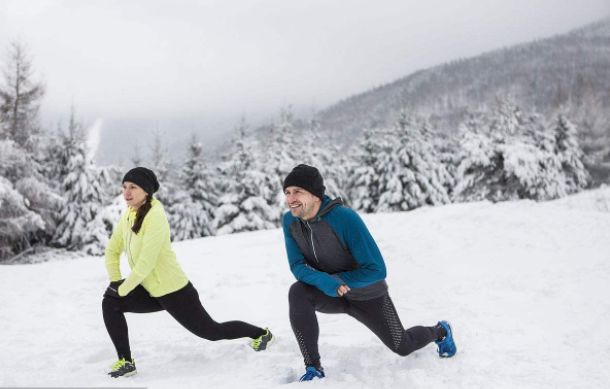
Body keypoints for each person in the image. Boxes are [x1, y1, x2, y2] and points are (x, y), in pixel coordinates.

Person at [281, 164, 456, 381]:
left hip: (368, 296)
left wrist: (338, 280)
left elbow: (377, 269)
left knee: (402, 345)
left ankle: (440, 331)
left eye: (297, 191)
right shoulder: (290, 221)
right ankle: (313, 368)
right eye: (287, 192)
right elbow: (297, 265)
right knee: (297, 292)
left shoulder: (344, 218)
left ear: (316, 195)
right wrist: (326, 282)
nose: (290, 199)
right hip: (332, 293)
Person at [102, 167, 273, 378]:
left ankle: (261, 334)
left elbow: (146, 262)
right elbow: (112, 250)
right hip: (147, 287)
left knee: (212, 332)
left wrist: (124, 289)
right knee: (110, 302)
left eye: (133, 187)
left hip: (173, 290)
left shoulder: (155, 216)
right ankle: (126, 361)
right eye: (124, 187)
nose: (127, 192)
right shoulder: (129, 214)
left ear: (146, 191)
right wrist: (116, 282)